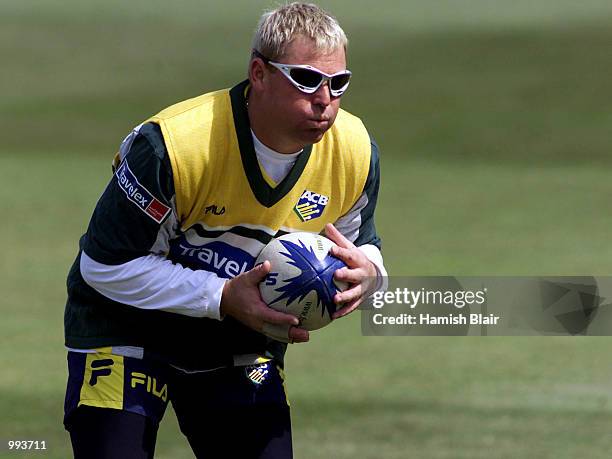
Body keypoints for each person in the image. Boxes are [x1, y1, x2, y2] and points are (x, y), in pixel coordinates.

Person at [63, 2, 387, 458]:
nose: (324, 99)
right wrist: (221, 297)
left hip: (240, 337)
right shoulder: (175, 146)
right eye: (307, 80)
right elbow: (104, 266)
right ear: (259, 73)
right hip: (124, 324)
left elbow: (362, 246)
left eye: (338, 83)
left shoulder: (354, 151)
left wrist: (369, 277)